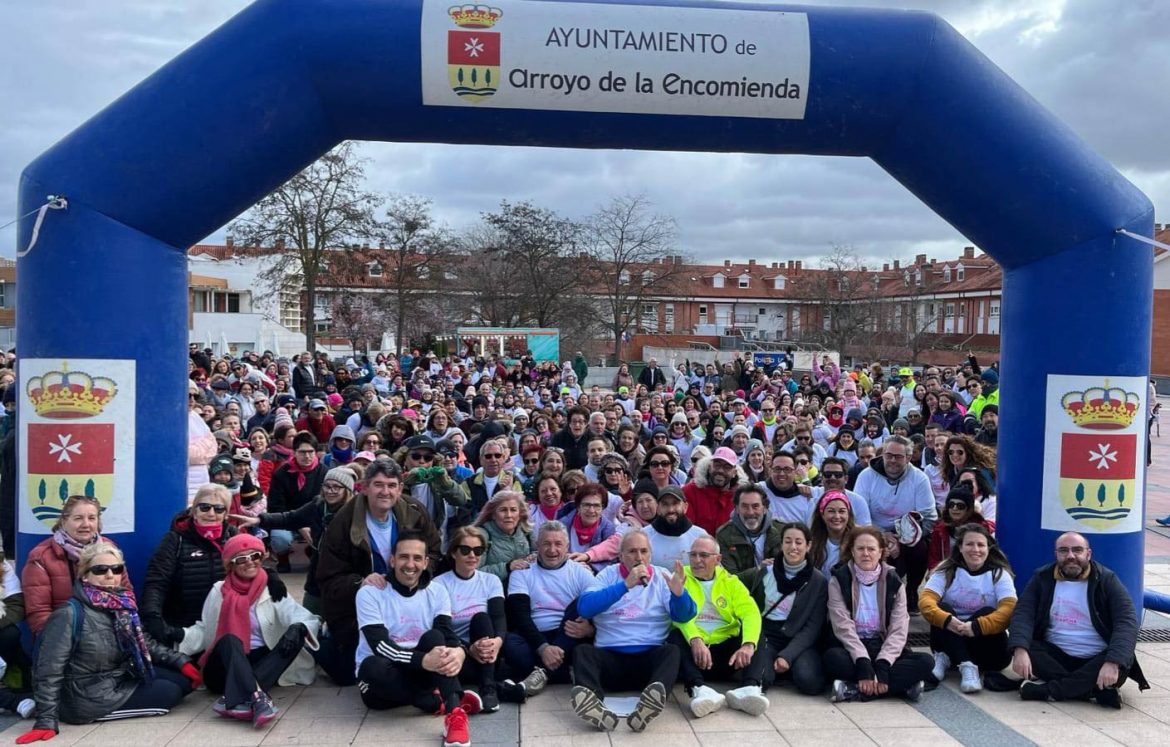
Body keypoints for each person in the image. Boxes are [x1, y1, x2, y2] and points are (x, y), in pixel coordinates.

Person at [17, 543, 198, 742]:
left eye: (116, 569)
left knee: (183, 680)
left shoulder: (122, 604)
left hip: (118, 677)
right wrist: (46, 720)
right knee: (170, 693)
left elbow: (144, 642)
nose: (110, 575)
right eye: (100, 570)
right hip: (86, 696)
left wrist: (181, 662)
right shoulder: (69, 614)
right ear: (85, 575)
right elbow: (48, 669)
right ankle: (87, 713)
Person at [316, 460, 441, 686]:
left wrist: (418, 574)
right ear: (365, 487)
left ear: (400, 488)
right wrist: (359, 582)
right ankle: (321, 640)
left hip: (406, 598)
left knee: (412, 656)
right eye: (378, 485)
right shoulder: (343, 521)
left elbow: (433, 551)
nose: (385, 492)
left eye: (392, 485)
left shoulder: (414, 512)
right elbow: (328, 576)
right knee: (348, 676)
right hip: (362, 605)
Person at [354, 533, 481, 747]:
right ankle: (436, 699)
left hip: (422, 670)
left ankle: (454, 712)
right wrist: (423, 660)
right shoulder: (370, 593)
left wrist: (459, 651)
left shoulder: (437, 591)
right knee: (370, 667)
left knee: (435, 637)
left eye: (417, 558)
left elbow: (446, 632)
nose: (410, 564)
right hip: (384, 678)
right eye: (404, 557)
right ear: (392, 560)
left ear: (425, 562)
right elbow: (380, 646)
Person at [179, 534, 320, 726]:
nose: (250, 562)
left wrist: (299, 628)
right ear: (231, 565)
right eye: (241, 559)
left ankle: (238, 698)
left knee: (296, 634)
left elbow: (301, 616)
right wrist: (177, 637)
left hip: (261, 661)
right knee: (229, 639)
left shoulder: (272, 588)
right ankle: (258, 698)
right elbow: (204, 628)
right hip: (225, 664)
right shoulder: (219, 590)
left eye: (255, 556)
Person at [570, 531, 696, 733]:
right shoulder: (607, 575)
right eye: (632, 551)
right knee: (583, 652)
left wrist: (679, 594)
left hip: (649, 659)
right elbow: (585, 608)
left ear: (650, 554)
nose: (639, 557)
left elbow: (684, 616)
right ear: (621, 556)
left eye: (644, 551)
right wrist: (625, 585)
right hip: (610, 658)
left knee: (672, 651)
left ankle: (650, 703)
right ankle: (594, 705)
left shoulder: (662, 576)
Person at [1008, 532, 1149, 707]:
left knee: (1122, 657)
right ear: (1056, 554)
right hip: (1056, 658)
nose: (1070, 556)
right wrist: (1020, 650)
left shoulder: (1106, 579)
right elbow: (1023, 613)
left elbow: (1126, 622)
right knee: (1028, 647)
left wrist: (1113, 662)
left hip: (1097, 660)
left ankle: (1048, 691)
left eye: (1077, 550)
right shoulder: (1042, 577)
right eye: (1063, 551)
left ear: (1088, 554)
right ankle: (1093, 691)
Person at [823, 526, 932, 703]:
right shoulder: (839, 580)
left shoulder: (894, 581)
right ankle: (899, 687)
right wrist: (862, 661)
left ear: (881, 552)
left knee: (926, 662)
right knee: (832, 658)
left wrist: (883, 663)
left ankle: (853, 689)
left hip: (881, 643)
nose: (866, 554)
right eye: (860, 548)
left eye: (871, 549)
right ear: (852, 551)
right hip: (852, 646)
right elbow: (842, 626)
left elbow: (899, 628)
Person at [670, 536, 769, 718]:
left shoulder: (731, 582)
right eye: (693, 555)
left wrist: (748, 645)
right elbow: (678, 617)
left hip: (726, 654)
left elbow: (751, 612)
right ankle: (698, 690)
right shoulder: (680, 577)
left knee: (756, 634)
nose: (697, 560)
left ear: (718, 559)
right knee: (675, 636)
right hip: (696, 655)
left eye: (703, 555)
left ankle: (750, 689)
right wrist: (695, 640)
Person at [236, 466, 356, 616]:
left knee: (341, 622)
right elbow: (291, 518)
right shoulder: (318, 505)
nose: (330, 491)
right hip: (317, 575)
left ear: (347, 490)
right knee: (309, 620)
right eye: (327, 486)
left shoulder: (355, 512)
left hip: (343, 577)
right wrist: (259, 520)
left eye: (336, 487)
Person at [919, 524, 1016, 693]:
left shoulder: (999, 574)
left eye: (981, 545)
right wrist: (948, 621)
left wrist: (977, 626)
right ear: (960, 547)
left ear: (988, 548)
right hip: (950, 636)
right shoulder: (946, 570)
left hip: (988, 650)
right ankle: (966, 665)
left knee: (986, 612)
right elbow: (925, 602)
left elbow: (1009, 609)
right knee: (942, 608)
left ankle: (953, 659)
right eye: (969, 544)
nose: (975, 549)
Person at [503, 521, 595, 692]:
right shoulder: (522, 572)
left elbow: (600, 610)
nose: (552, 550)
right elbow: (520, 616)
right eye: (546, 543)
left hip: (568, 634)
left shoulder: (581, 573)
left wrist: (590, 630)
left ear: (567, 546)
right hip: (535, 635)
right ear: (537, 545)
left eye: (558, 544)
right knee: (510, 643)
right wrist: (543, 648)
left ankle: (536, 674)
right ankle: (562, 672)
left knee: (581, 604)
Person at [141, 485, 238, 647]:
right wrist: (152, 617)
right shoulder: (175, 540)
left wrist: (269, 576)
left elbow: (253, 565)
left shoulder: (233, 536)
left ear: (226, 514)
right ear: (194, 510)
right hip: (183, 628)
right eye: (204, 507)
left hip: (223, 624)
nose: (211, 514)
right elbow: (156, 582)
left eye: (219, 509)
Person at [740, 522, 829, 696]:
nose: (793, 547)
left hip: (798, 636)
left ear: (808, 546)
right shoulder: (765, 571)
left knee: (810, 682)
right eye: (787, 541)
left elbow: (812, 627)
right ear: (781, 544)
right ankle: (768, 667)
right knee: (759, 679)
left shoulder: (818, 581)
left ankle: (784, 665)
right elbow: (733, 582)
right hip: (767, 633)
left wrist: (787, 655)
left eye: (799, 542)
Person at [23, 495, 129, 636]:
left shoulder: (109, 549)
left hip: (111, 633)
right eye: (78, 518)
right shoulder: (41, 557)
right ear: (64, 521)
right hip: (64, 635)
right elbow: (39, 612)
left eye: (92, 518)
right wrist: (63, 640)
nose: (86, 524)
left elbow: (126, 594)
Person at [853, 435, 936, 608]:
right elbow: (858, 514)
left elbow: (929, 518)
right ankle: (878, 594)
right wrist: (881, 536)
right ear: (882, 454)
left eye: (898, 457)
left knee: (920, 548)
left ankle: (911, 589)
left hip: (908, 533)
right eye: (888, 455)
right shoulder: (866, 476)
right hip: (873, 531)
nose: (892, 460)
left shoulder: (919, 478)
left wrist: (903, 538)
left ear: (908, 457)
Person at [433, 526, 507, 711]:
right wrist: (467, 649)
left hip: (488, 651)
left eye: (478, 550)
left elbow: (498, 618)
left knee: (481, 618)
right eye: (465, 550)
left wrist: (497, 642)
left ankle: (488, 688)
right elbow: (442, 628)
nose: (472, 555)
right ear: (453, 552)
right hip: (457, 652)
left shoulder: (491, 580)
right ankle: (499, 686)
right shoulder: (439, 584)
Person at [267, 431, 329, 571]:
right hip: (287, 518)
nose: (307, 456)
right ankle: (283, 559)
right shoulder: (281, 474)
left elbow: (326, 502)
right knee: (280, 538)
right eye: (302, 452)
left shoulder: (325, 473)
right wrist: (299, 523)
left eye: (310, 452)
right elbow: (275, 506)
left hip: (315, 520)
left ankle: (313, 551)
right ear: (294, 452)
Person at [715, 484, 783, 573]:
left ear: (765, 508)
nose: (750, 512)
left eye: (755, 506)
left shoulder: (780, 532)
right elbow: (730, 576)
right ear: (737, 509)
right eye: (745, 506)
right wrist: (759, 570)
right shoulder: (724, 535)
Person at [926, 487, 995, 569]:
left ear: (969, 509)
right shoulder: (939, 530)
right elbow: (934, 559)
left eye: (960, 506)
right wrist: (937, 572)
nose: (955, 508)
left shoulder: (981, 529)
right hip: (947, 570)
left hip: (976, 569)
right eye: (951, 505)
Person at [684, 447, 748, 536]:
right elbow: (687, 531)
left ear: (734, 472)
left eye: (727, 467)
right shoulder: (690, 491)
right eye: (717, 465)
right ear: (710, 467)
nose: (721, 470)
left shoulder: (741, 496)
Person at [473, 492, 534, 582]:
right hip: (491, 588)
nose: (509, 515)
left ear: (520, 514)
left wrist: (534, 558)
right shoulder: (480, 536)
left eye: (513, 510)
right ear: (493, 515)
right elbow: (473, 573)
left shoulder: (526, 532)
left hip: (522, 586)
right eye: (503, 510)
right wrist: (507, 567)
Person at [642, 487, 709, 567]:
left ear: (685, 507)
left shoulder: (700, 536)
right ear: (658, 508)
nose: (671, 510)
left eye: (675, 503)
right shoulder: (644, 536)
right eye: (665, 504)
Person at [809, 491, 856, 576]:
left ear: (848, 514)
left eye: (842, 511)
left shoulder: (858, 540)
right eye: (831, 511)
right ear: (822, 514)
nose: (837, 516)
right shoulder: (811, 542)